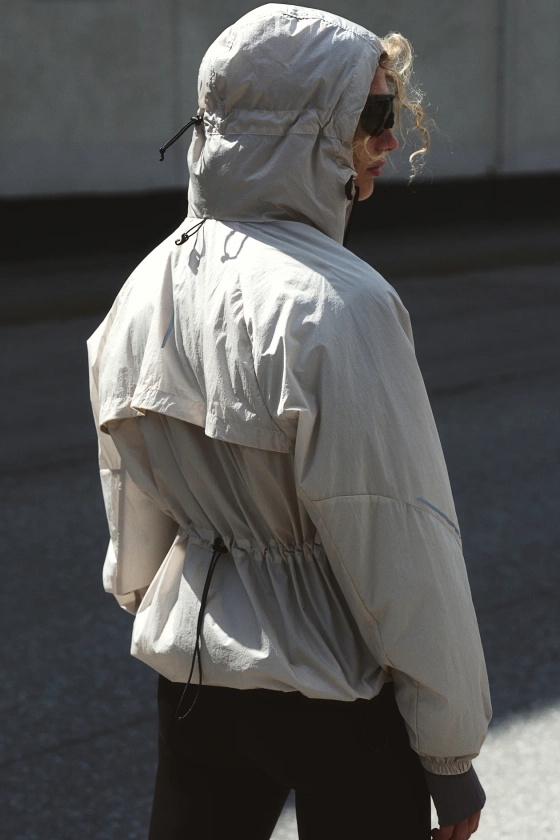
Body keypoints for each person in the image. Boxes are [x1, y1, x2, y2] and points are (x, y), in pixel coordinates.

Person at [88, 5, 491, 839]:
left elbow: (131, 484)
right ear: (307, 130)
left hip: (197, 680)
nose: (388, 140)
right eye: (375, 116)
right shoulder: (342, 305)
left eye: (393, 115)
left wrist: (145, 588)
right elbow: (399, 539)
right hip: (338, 698)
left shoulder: (145, 283)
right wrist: (450, 757)